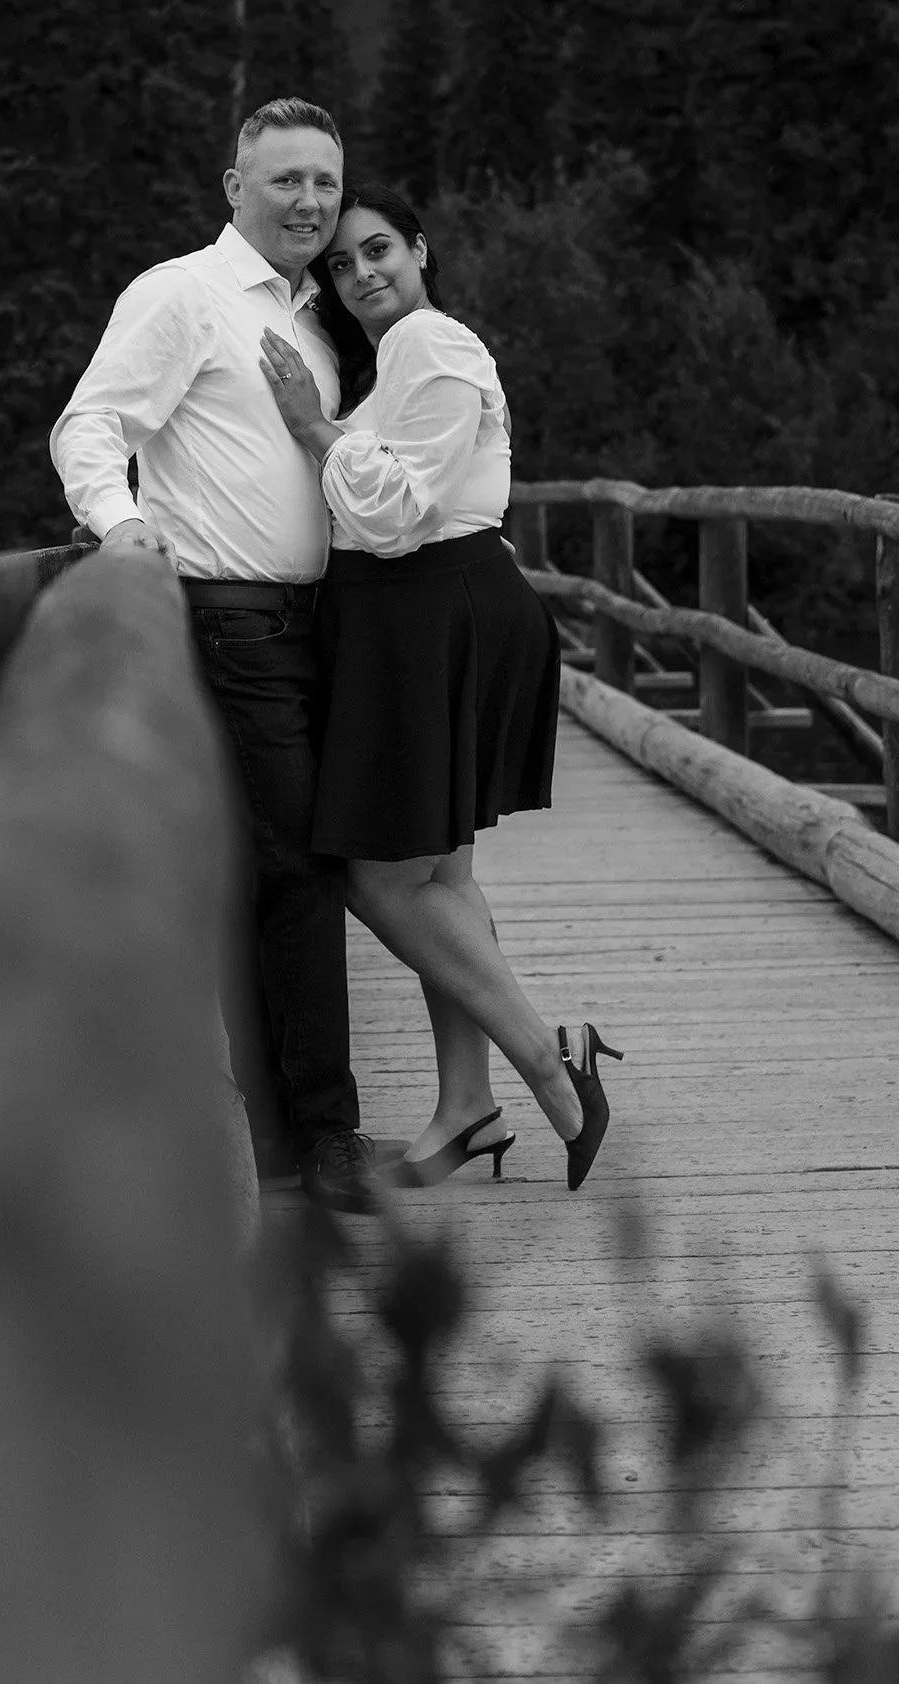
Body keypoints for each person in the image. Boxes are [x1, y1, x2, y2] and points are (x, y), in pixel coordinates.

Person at [50, 98, 382, 1214]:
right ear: (234, 187)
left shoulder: (319, 312)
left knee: (274, 868)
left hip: (317, 624)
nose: (308, 201)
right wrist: (118, 523)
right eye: (285, 179)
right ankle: (326, 1133)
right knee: (300, 865)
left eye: (324, 182)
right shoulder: (182, 294)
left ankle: (283, 1131)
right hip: (228, 623)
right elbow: (90, 426)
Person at [257, 183, 621, 1191]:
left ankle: (551, 1068)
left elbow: (392, 512)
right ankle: (467, 1106)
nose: (360, 273)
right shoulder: (393, 361)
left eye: (377, 249)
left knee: (378, 879)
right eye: (340, 264)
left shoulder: (433, 341)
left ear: (418, 250)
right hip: (416, 615)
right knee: (440, 879)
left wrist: (310, 427)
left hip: (428, 612)